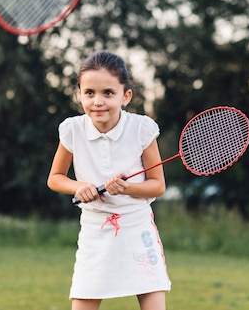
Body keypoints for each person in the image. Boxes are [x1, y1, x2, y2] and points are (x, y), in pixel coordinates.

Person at [47, 51, 171, 310]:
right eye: (89, 92)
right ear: (79, 93)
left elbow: (157, 186)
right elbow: (55, 178)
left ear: (125, 96)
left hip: (137, 227)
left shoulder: (141, 128)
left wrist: (127, 188)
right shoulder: (72, 129)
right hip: (95, 229)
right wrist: (80, 186)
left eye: (108, 93)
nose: (98, 101)